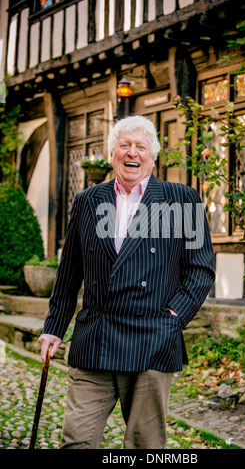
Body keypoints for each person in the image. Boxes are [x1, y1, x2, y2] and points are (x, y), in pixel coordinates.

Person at [38, 115, 215, 449]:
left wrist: (173, 317)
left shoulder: (182, 198)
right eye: (124, 145)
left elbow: (201, 268)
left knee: (143, 445)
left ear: (153, 156)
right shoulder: (88, 201)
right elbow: (69, 274)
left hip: (152, 341)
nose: (132, 152)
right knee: (77, 439)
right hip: (95, 339)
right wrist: (54, 327)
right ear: (111, 154)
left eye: (140, 146)